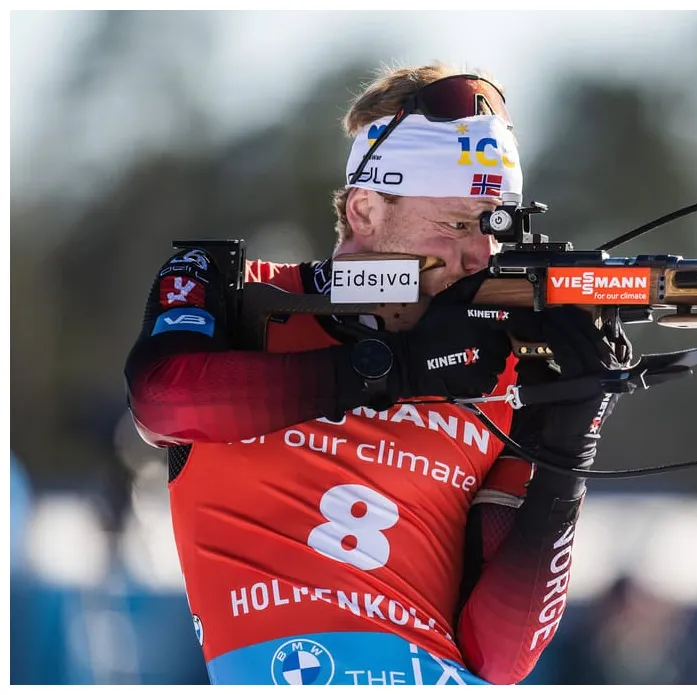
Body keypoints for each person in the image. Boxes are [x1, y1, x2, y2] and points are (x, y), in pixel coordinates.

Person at [123, 63, 631, 686]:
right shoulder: (238, 291)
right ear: (364, 211)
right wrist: (396, 369)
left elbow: (500, 657)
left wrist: (569, 446)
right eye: (456, 223)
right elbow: (163, 401)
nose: (479, 254)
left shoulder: (503, 371)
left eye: (495, 226)